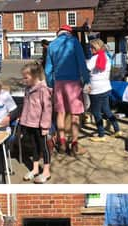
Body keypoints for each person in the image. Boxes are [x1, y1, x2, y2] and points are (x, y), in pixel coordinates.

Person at [44, 25, 91, 156]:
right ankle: (75, 144)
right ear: (69, 33)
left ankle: (63, 143)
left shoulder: (52, 45)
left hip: (59, 83)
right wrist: (87, 80)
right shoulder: (74, 42)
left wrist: (51, 85)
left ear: (58, 33)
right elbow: (82, 63)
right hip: (74, 83)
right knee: (75, 115)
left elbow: (48, 69)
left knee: (60, 113)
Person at [19, 62, 53, 184]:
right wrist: (23, 120)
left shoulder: (43, 90)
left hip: (40, 125)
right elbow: (26, 106)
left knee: (44, 148)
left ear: (34, 76)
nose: (24, 80)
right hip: (30, 124)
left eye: (26, 77)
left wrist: (45, 126)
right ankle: (34, 169)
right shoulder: (28, 89)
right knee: (34, 147)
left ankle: (46, 171)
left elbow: (47, 109)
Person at [86, 39, 122, 143]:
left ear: (96, 48)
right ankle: (117, 129)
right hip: (106, 87)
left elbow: (86, 68)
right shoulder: (106, 57)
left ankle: (101, 134)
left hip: (96, 90)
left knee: (96, 112)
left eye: (92, 47)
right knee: (107, 110)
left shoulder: (94, 58)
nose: (90, 49)